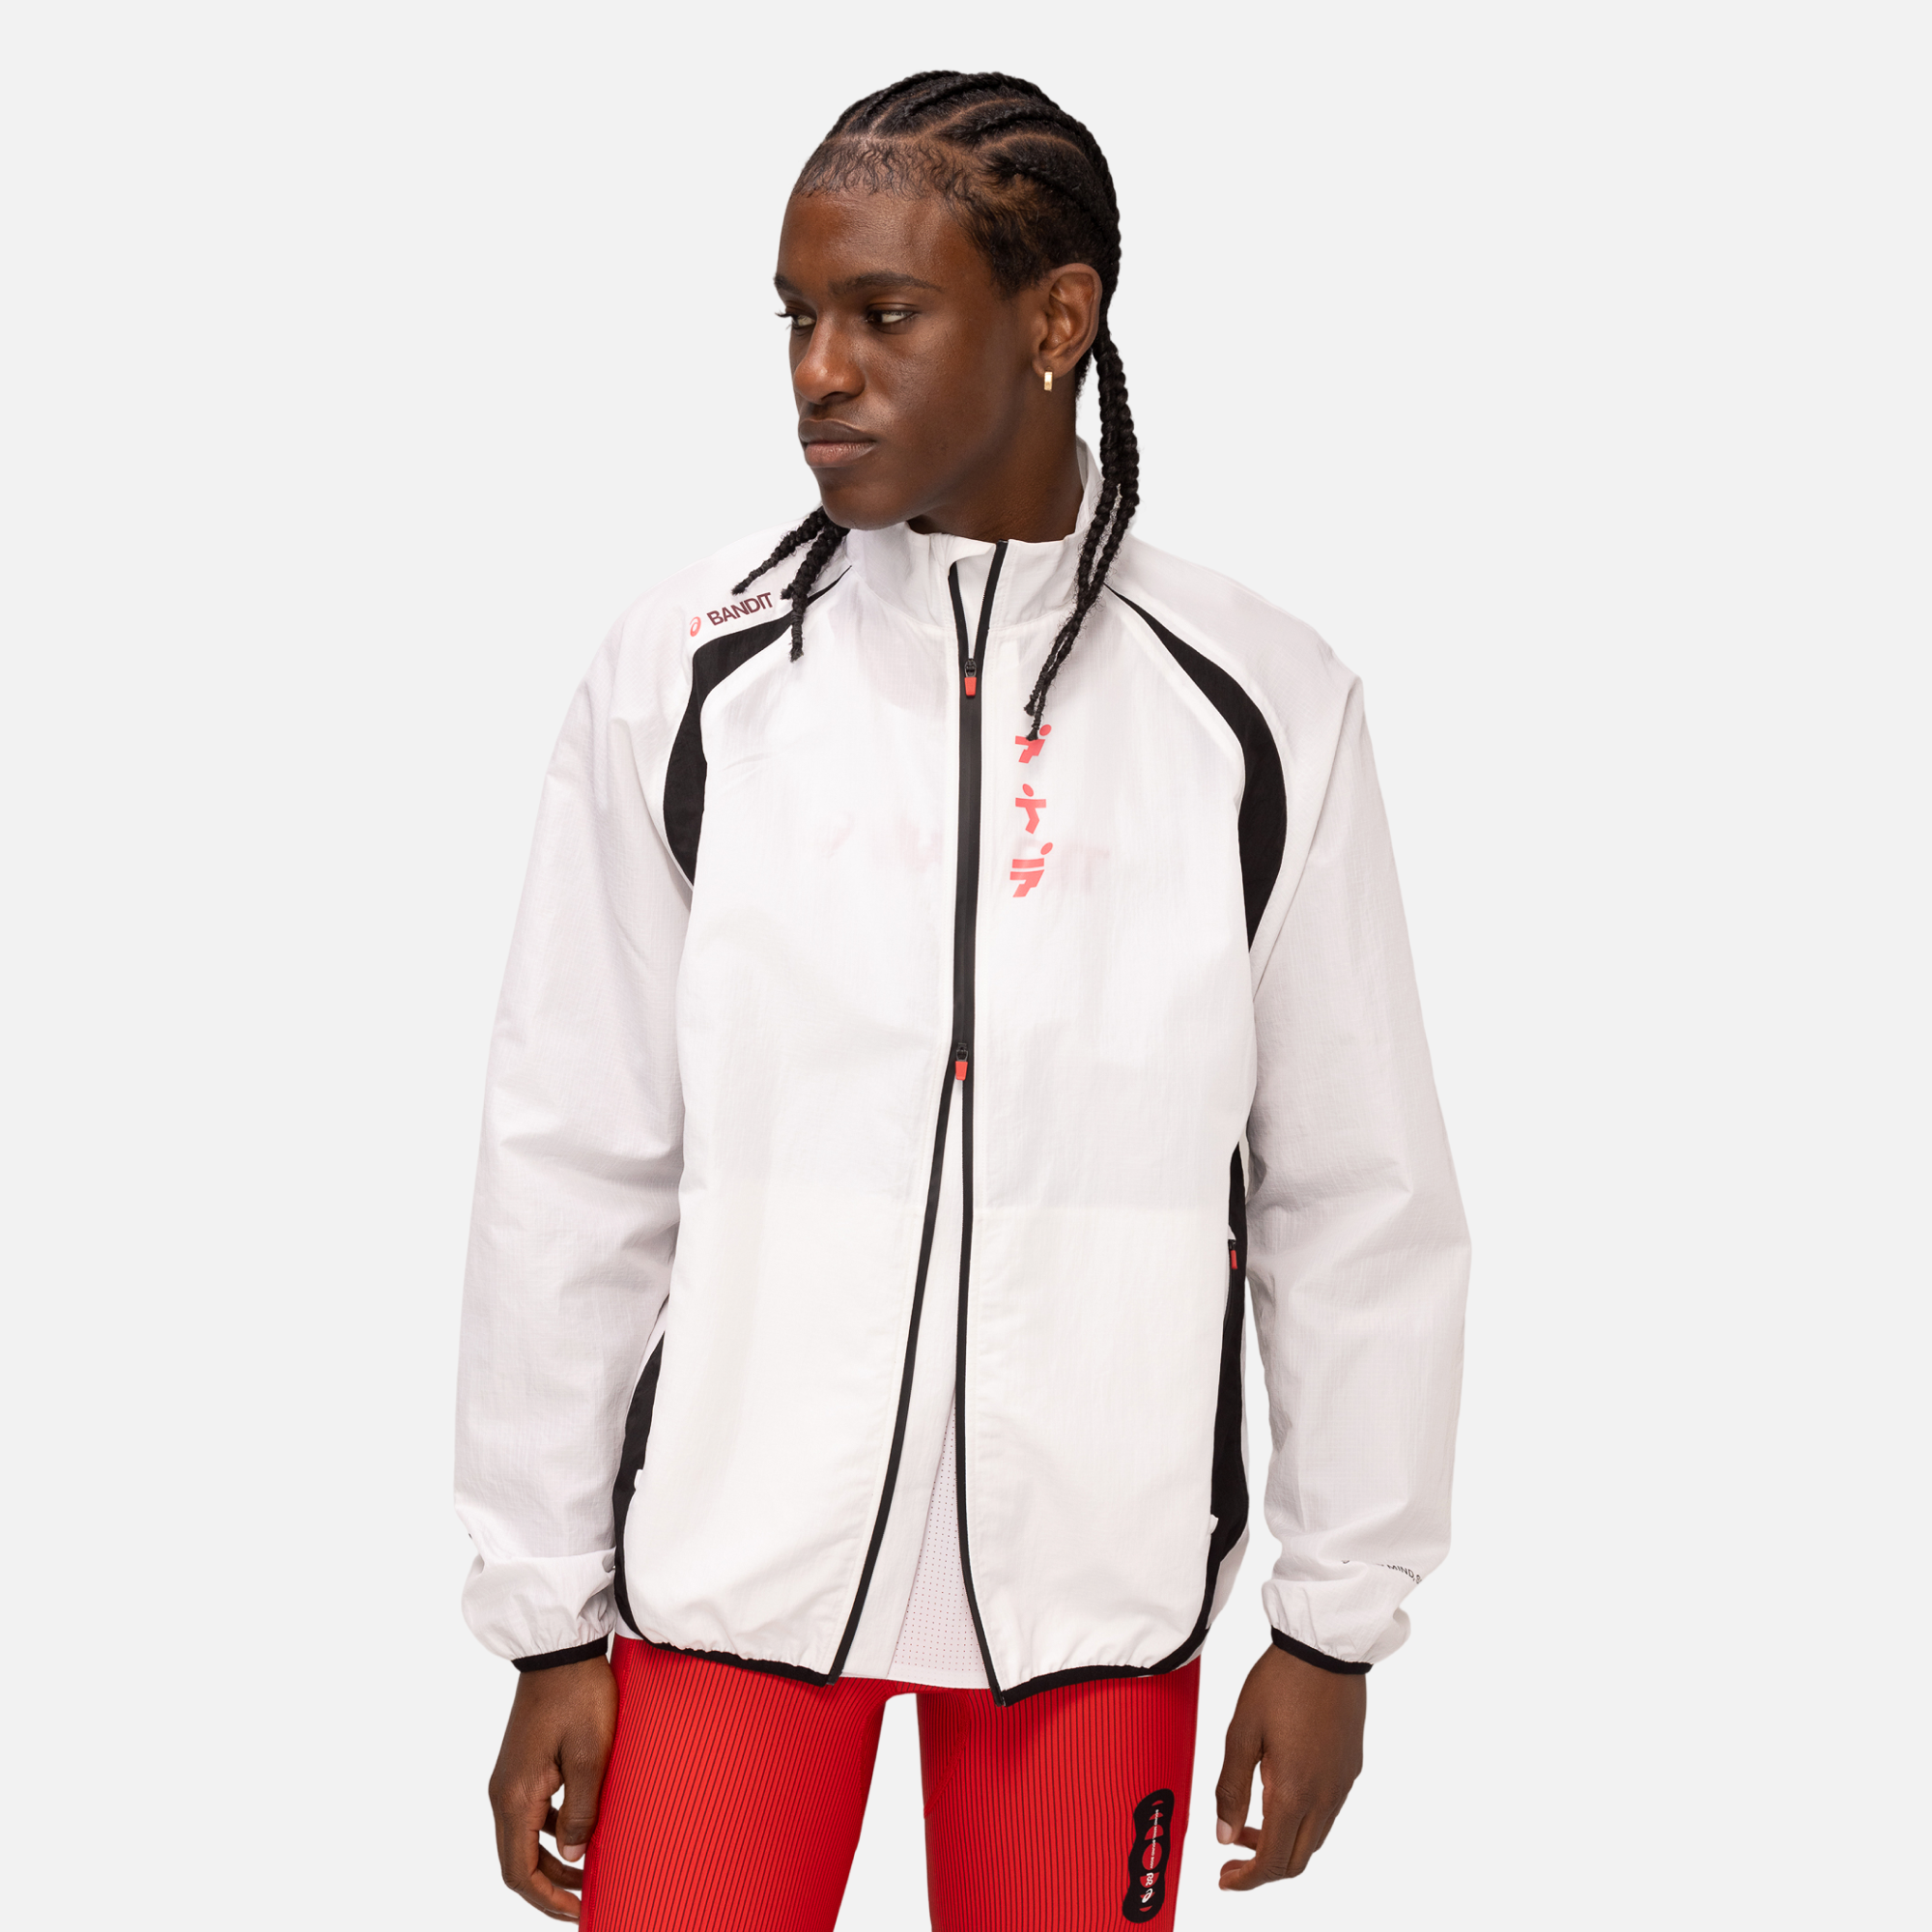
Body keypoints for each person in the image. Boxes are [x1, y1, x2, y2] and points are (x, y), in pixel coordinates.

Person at [456, 71, 1468, 1931]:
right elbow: (575, 1159)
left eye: (883, 313)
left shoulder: (1260, 703)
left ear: (1056, 321)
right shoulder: (687, 680)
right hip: (731, 1599)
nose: (818, 371)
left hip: (1094, 1617)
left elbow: (1355, 1192)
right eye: (796, 317)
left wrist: (1334, 1625)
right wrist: (549, 1620)